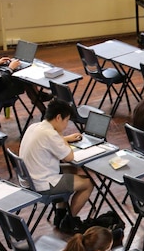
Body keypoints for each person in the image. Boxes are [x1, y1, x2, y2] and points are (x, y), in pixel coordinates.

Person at [19, 99, 93, 232]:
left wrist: (64, 139)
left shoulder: (34, 127)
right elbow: (69, 156)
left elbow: (48, 142)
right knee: (88, 183)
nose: (66, 125)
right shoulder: (51, 134)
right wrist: (61, 137)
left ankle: (60, 213)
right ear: (58, 117)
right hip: (42, 183)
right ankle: (70, 221)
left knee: (71, 169)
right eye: (66, 121)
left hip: (29, 179)